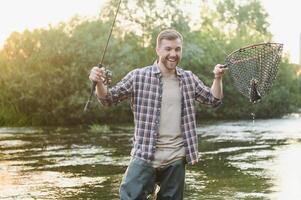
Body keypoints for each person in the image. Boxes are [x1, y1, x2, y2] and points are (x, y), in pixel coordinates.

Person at [89, 29, 226, 200]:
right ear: (158, 50)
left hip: (176, 158)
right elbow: (108, 98)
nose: (173, 54)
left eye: (177, 49)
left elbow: (213, 99)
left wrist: (218, 78)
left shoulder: (188, 78)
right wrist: (98, 82)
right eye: (168, 49)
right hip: (144, 155)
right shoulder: (138, 76)